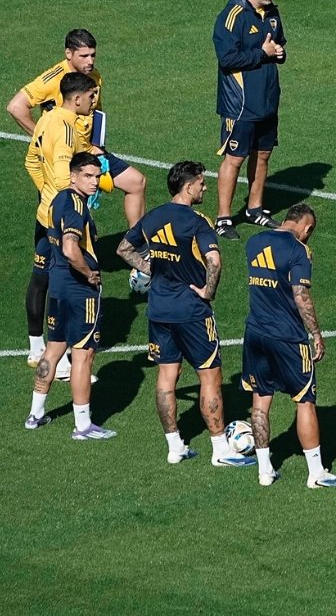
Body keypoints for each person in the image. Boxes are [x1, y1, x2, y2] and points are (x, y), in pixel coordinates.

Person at [118, 161, 253, 467]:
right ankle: (220, 449)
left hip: (159, 308)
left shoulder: (153, 216)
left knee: (167, 377)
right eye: (202, 184)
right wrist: (208, 291)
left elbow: (124, 248)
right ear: (188, 186)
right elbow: (215, 262)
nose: (205, 188)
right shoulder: (197, 221)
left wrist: (149, 268)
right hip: (191, 311)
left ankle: (174, 446)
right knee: (210, 376)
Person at [240, 204, 336, 489]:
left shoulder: (255, 241)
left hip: (255, 333)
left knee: (260, 401)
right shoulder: (299, 251)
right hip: (287, 337)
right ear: (307, 227)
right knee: (305, 401)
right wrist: (316, 334)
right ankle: (316, 473)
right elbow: (301, 296)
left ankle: (264, 470)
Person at [8, 27, 147, 228]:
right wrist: (43, 137)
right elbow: (16, 107)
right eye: (83, 56)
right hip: (65, 156)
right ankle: (51, 255)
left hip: (90, 150)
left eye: (93, 55)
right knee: (62, 212)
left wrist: (97, 144)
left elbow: (96, 113)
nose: (90, 61)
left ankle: (136, 243)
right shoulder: (52, 79)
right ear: (68, 54)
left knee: (136, 182)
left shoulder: (94, 76)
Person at [23, 153, 116, 440]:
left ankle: (35, 414)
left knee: (53, 349)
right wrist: (89, 274)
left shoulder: (57, 199)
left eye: (96, 175)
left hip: (58, 286)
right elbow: (69, 247)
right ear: (73, 176)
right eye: (87, 176)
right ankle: (83, 425)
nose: (94, 181)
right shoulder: (75, 205)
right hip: (79, 291)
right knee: (83, 356)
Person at [22, 71, 106, 376]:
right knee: (70, 282)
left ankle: (41, 351)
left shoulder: (45, 118)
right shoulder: (67, 128)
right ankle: (66, 359)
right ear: (78, 98)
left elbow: (31, 160)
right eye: (92, 96)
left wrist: (45, 195)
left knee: (42, 278)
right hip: (59, 220)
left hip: (43, 215)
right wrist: (71, 204)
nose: (94, 102)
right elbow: (61, 177)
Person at [212, 0, 287, 240]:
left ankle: (254, 208)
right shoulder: (233, 16)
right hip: (240, 102)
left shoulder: (272, 13)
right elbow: (227, 59)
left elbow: (279, 43)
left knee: (264, 154)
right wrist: (263, 53)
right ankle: (223, 218)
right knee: (235, 158)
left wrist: (278, 52)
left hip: (267, 99)